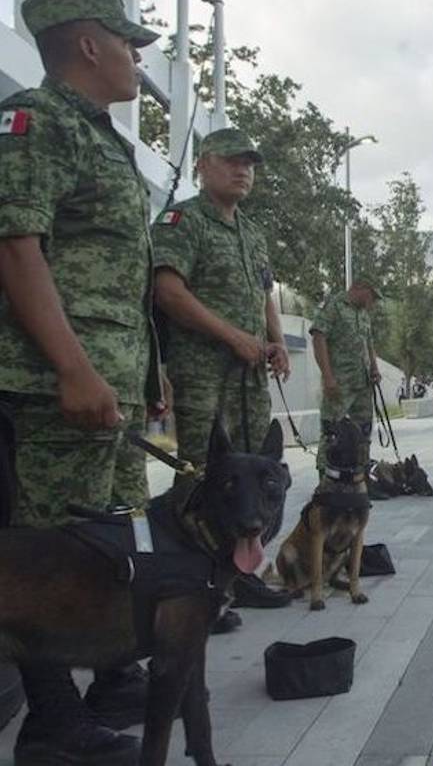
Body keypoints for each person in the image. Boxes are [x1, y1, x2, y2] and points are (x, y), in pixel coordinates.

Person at [0, 0, 165, 763]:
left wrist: (145, 373)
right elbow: (14, 246)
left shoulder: (103, 137)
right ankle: (53, 723)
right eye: (128, 42)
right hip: (59, 387)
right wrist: (73, 371)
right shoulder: (37, 122)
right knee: (52, 552)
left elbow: (125, 279)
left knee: (121, 532)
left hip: (116, 383)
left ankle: (114, 676)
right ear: (88, 44)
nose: (139, 56)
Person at [152, 128, 293, 624]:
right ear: (203, 164)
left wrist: (274, 340)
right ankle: (193, 587)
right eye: (232, 161)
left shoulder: (250, 232)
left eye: (250, 164)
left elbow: (262, 294)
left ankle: (242, 574)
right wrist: (233, 337)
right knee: (201, 479)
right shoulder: (182, 220)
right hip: (204, 373)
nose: (243, 171)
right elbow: (168, 291)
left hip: (251, 375)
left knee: (255, 476)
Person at [310, 280, 381, 470]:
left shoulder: (364, 314)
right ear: (360, 288)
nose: (373, 302)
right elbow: (319, 338)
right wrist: (327, 376)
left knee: (363, 430)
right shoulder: (334, 306)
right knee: (331, 431)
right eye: (372, 296)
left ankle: (361, 477)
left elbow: (369, 343)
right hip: (340, 383)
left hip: (363, 382)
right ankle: (325, 479)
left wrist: (374, 368)